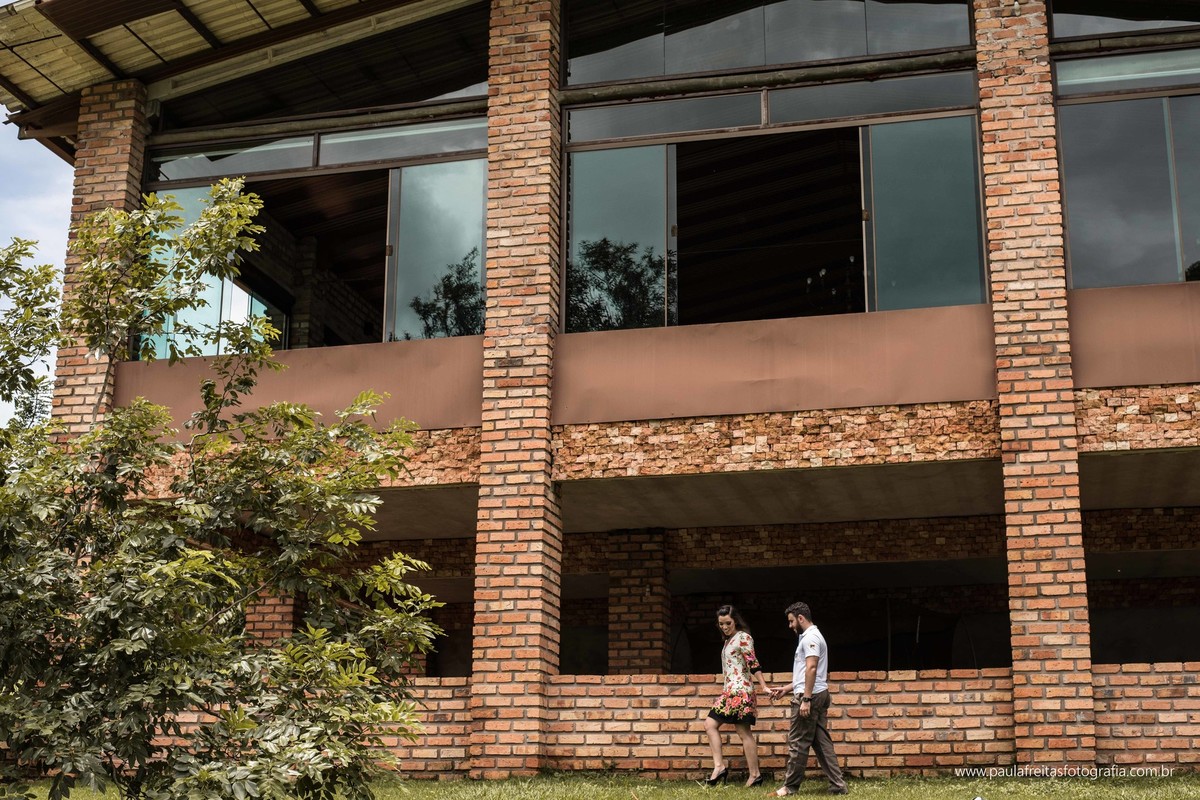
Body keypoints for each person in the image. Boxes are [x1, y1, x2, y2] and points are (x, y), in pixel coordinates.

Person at [768, 601, 848, 796]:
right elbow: (807, 672)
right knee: (821, 743)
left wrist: (806, 699)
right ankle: (838, 785)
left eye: (791, 621)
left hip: (812, 696)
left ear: (800, 618)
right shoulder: (811, 636)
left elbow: (812, 667)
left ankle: (789, 787)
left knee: (798, 742)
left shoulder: (810, 638)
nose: (790, 626)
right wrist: (788, 688)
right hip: (818, 693)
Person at [703, 604, 771, 787]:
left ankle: (755, 775)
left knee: (743, 732)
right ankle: (719, 767)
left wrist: (763, 685)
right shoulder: (728, 641)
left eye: (728, 623)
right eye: (721, 624)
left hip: (741, 691)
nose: (724, 627)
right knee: (710, 724)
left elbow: (753, 663)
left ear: (735, 621)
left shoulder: (743, 637)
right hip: (729, 691)